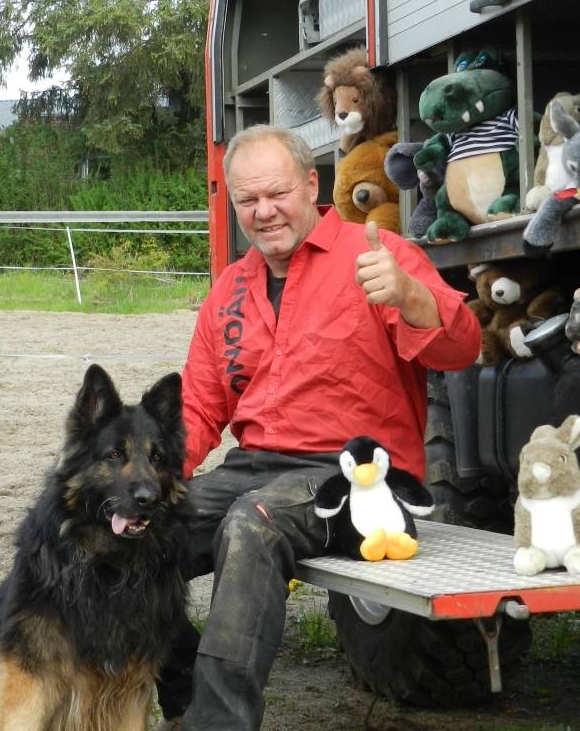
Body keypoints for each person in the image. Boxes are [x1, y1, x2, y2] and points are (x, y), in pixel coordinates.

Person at [156, 125, 481, 730]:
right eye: (248, 200)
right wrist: (147, 484)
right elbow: (198, 407)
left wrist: (411, 296)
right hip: (256, 469)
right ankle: (181, 686)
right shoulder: (230, 289)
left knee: (252, 523)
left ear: (311, 185)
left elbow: (462, 349)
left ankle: (217, 724)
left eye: (276, 193)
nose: (264, 211)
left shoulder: (377, 257)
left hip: (361, 478)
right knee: (133, 537)